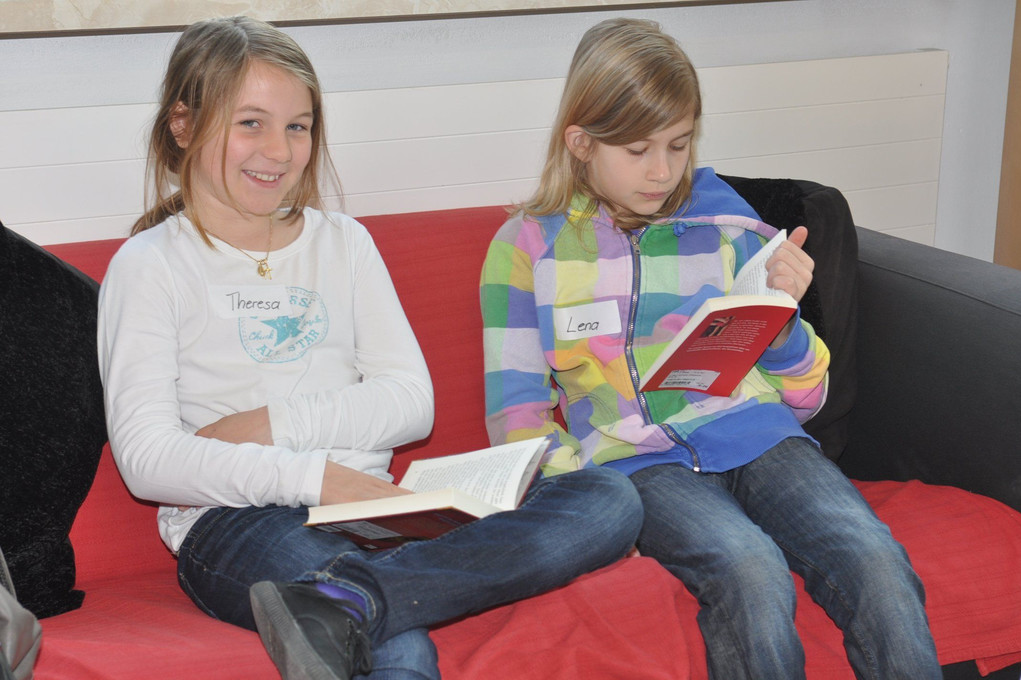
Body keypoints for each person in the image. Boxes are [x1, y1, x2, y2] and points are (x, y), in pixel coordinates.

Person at [97, 16, 642, 680]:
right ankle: (365, 602)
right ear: (183, 125)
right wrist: (318, 478)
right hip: (238, 520)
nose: (279, 150)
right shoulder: (149, 265)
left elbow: (410, 403)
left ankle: (357, 600)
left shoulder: (343, 243)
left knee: (608, 499)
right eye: (251, 123)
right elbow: (149, 460)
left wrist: (272, 425)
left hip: (374, 509)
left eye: (298, 126)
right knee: (395, 647)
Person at [480, 17, 942, 680]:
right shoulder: (527, 248)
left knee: (876, 559)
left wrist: (781, 324)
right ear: (581, 143)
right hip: (636, 463)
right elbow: (517, 415)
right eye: (637, 150)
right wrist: (585, 510)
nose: (663, 171)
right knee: (749, 570)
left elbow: (810, 399)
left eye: (679, 144)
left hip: (760, 433)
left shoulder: (727, 224)